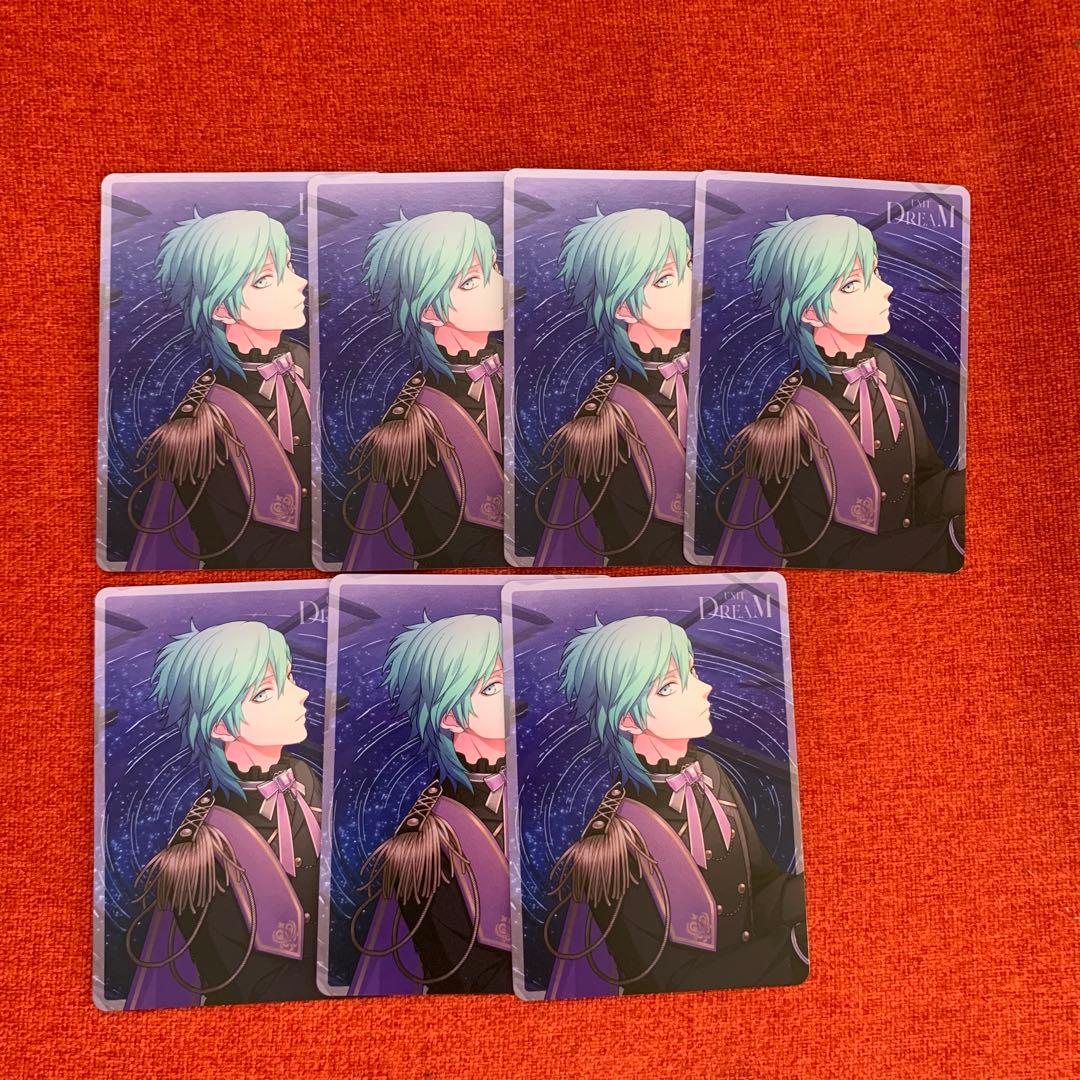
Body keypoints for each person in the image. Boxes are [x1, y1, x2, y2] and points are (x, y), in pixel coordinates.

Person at [545, 615, 807, 998]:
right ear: (629, 718)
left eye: (693, 672)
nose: (704, 688)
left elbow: (762, 890)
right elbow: (667, 985)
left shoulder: (709, 773)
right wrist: (793, 949)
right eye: (670, 686)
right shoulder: (614, 844)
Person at [713, 212, 964, 571]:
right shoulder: (788, 428)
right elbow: (829, 560)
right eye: (852, 284)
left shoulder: (883, 369)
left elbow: (925, 483)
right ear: (811, 312)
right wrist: (951, 538)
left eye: (875, 272)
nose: (886, 289)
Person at [125, 621, 322, 1008]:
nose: (301, 694)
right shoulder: (201, 853)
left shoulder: (305, 778)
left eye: (290, 677)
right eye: (265, 693)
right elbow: (238, 984)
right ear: (220, 726)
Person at [127, 208, 312, 570]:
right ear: (223, 308)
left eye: (289, 266)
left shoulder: (305, 362)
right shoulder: (202, 426)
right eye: (265, 279)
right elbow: (238, 553)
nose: (300, 282)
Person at [349, 614, 512, 995]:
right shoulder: (428, 842)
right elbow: (462, 978)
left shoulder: (523, 798)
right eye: (492, 687)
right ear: (451, 715)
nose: (512, 696)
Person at [341, 211, 505, 569]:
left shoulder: (515, 373)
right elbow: (445, 550)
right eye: (471, 281)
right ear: (430, 310)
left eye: (494, 267)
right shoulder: (410, 429)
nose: (500, 285)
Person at [535, 207, 691, 566]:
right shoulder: (602, 426)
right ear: (624, 307)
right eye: (665, 278)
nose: (690, 284)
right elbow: (634, 546)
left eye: (688, 265)